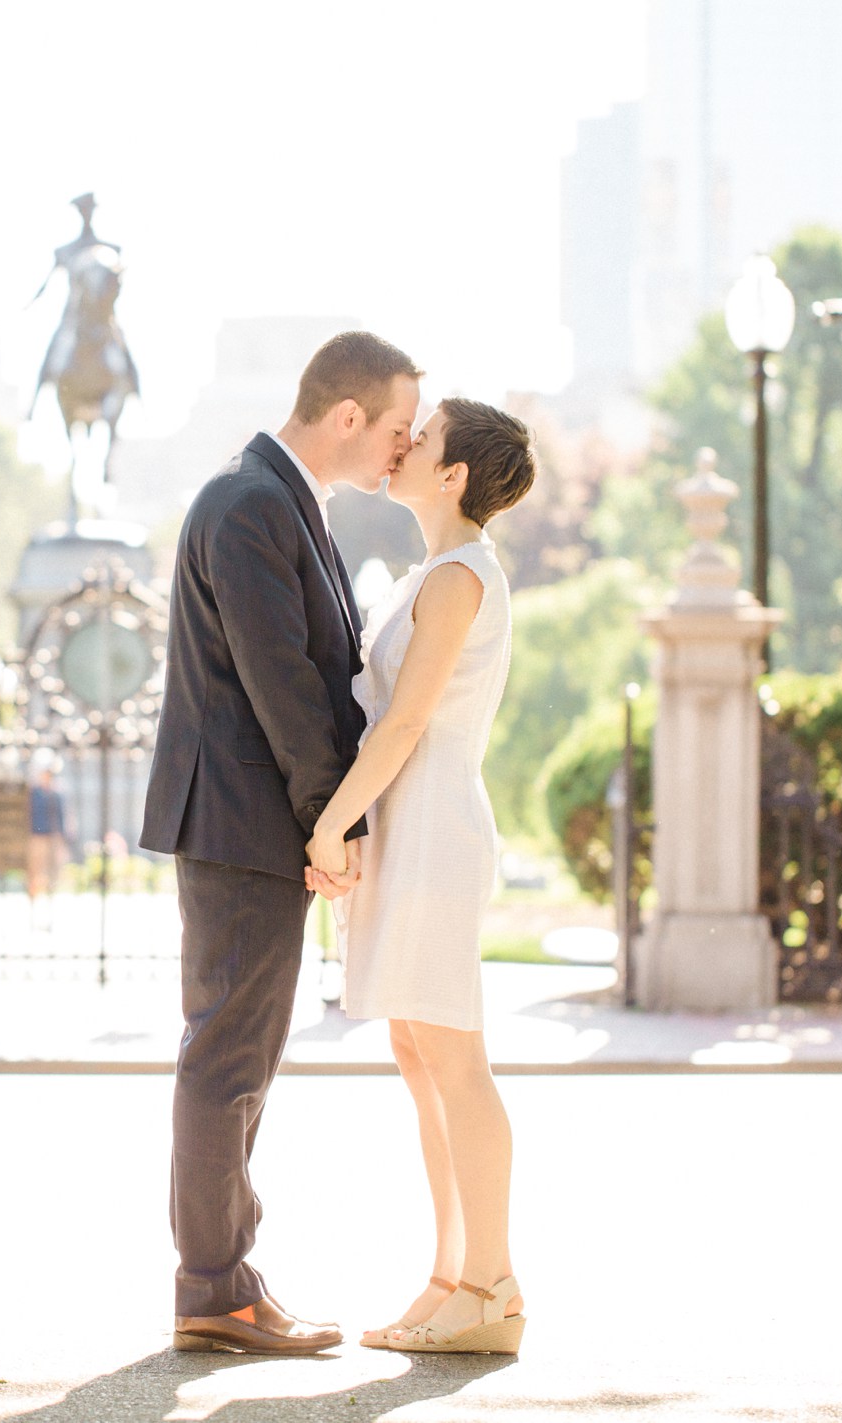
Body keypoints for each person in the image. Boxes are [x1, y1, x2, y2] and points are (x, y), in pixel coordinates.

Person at [140, 331, 420, 1355]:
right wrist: (330, 821)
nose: (401, 449)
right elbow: (285, 691)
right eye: (394, 429)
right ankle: (212, 1285)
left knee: (237, 1053)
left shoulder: (272, 497)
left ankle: (223, 1276)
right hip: (242, 825)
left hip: (245, 824)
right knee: (226, 1056)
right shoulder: (250, 502)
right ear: (345, 416)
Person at [306, 397, 539, 1355]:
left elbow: (403, 723)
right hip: (411, 828)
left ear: (453, 476)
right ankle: (450, 1276)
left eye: (425, 436)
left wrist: (328, 824)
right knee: (418, 1053)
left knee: (454, 1054)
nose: (404, 444)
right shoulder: (433, 572)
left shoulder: (459, 576)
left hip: (436, 829)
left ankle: (493, 1283)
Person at [26, 756, 70, 920]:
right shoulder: (33, 793)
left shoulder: (57, 793)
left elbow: (62, 818)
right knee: (34, 875)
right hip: (36, 838)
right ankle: (33, 909)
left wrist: (62, 841)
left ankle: (50, 910)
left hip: (53, 838)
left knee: (53, 875)